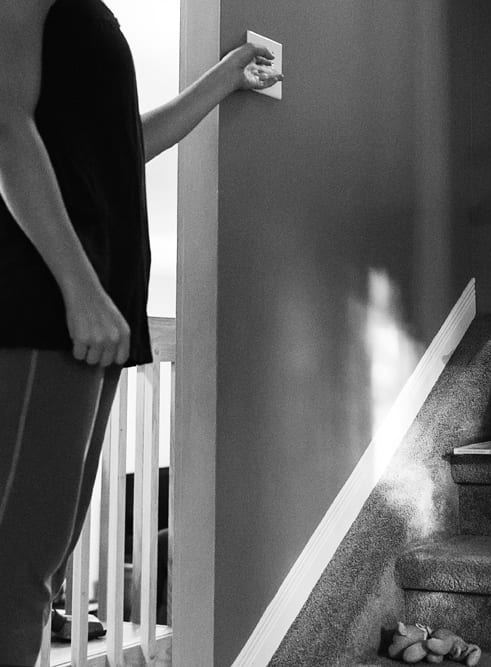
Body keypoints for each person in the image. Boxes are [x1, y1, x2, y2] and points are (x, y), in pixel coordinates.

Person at [0, 0, 281, 663]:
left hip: (90, 307)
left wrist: (224, 78)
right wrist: (78, 287)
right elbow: (5, 127)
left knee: (38, 564)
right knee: (15, 574)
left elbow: (122, 145)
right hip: (46, 301)